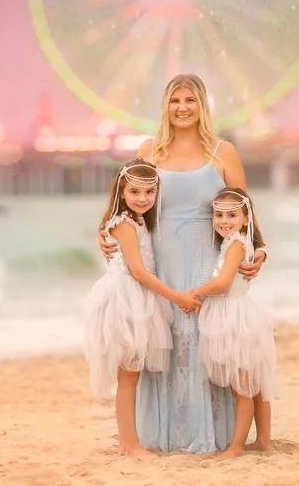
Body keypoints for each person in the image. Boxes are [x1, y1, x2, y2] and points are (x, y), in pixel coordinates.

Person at [98, 74, 270, 453]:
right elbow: (127, 201)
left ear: (202, 105)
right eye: (175, 100)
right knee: (166, 342)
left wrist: (260, 248)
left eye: (190, 100)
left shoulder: (223, 152)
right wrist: (104, 229)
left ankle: (219, 436)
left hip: (208, 261)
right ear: (165, 105)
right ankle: (162, 435)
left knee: (210, 342)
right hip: (160, 263)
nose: (182, 107)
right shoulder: (149, 150)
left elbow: (245, 208)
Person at [83, 159, 202, 460]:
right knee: (129, 375)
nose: (143, 199)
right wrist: (177, 297)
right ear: (121, 192)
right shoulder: (123, 223)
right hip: (127, 299)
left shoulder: (136, 221)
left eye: (149, 193)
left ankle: (128, 442)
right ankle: (130, 444)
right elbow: (138, 271)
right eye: (135, 192)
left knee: (132, 374)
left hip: (139, 299)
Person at [192, 187, 277, 458]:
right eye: (218, 215)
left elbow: (223, 282)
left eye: (231, 215)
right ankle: (263, 440)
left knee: (242, 387)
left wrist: (194, 292)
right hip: (241, 311)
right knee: (255, 383)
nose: (224, 221)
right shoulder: (238, 242)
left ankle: (236, 446)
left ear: (245, 218)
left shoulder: (236, 244)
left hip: (233, 316)